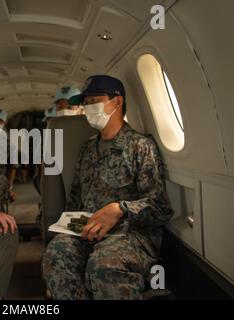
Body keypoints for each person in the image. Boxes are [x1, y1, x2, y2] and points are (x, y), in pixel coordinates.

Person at [42, 75, 173, 300]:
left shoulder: (140, 146)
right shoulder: (87, 149)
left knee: (104, 265)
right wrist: (67, 226)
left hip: (129, 234)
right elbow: (75, 198)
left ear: (117, 102)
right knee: (56, 254)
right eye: (86, 102)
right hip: (87, 230)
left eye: (96, 100)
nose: (89, 107)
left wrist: (120, 209)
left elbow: (160, 207)